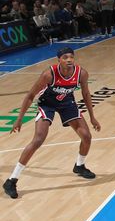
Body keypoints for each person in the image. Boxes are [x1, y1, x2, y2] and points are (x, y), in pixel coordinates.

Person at [3, 47, 101, 199]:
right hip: (46, 104)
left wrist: (92, 117)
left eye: (71, 57)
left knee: (87, 136)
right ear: (59, 60)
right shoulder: (48, 74)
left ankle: (79, 166)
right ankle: (11, 180)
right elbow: (30, 95)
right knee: (38, 140)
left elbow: (86, 94)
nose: (69, 60)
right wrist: (19, 119)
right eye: (65, 57)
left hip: (67, 103)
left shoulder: (81, 73)